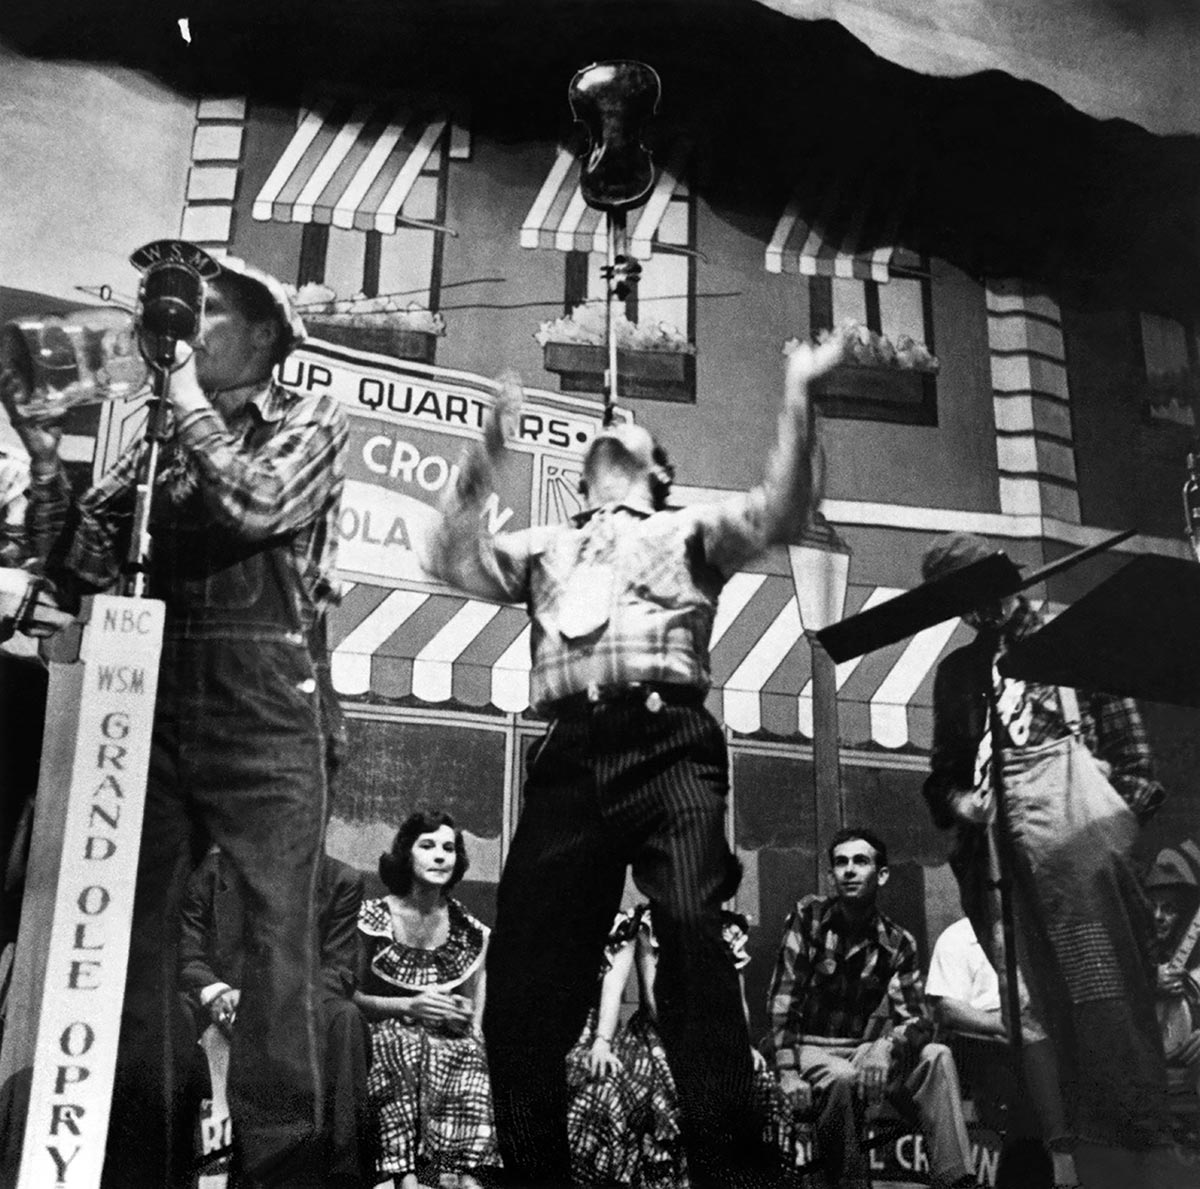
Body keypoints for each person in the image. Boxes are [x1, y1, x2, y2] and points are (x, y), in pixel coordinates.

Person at [425, 331, 849, 1188]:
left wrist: (801, 392)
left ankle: (732, 1174)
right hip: (572, 754)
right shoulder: (549, 545)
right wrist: (486, 451)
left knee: (693, 937)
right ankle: (538, 1172)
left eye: (636, 431)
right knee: (523, 983)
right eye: (602, 432)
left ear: (660, 472)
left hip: (670, 748)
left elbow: (785, 505)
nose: (613, 423)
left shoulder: (689, 527)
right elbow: (449, 558)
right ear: (582, 474)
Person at [6, 253, 349, 1188]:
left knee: (278, 947)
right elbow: (76, 560)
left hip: (269, 703)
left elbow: (258, 503)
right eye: (182, 311)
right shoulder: (159, 430)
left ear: (271, 334)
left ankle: (282, 1174)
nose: (190, 327)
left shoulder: (310, 417)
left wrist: (184, 399)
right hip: (154, 692)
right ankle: (137, 1162)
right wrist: (43, 445)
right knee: (136, 939)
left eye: (212, 311)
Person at [920, 532, 1172, 1163]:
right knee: (1031, 1011)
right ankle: (1058, 1157)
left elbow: (1140, 771)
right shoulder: (959, 675)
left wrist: (1098, 824)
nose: (974, 610)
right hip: (1001, 869)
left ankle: (1133, 1150)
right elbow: (941, 778)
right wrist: (964, 805)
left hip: (1086, 867)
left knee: (1106, 1003)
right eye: (958, 602)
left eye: (979, 591)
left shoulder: (1076, 644)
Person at [765, 828, 975, 1189]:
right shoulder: (809, 918)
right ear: (832, 875)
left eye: (860, 861)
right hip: (805, 1048)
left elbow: (917, 1018)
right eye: (841, 863)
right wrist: (787, 1073)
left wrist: (885, 1046)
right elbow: (783, 1002)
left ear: (881, 875)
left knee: (937, 1055)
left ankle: (956, 1180)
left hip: (858, 1050)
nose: (848, 870)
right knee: (842, 1078)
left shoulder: (897, 941)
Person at [179, 847, 371, 1188]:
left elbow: (339, 971)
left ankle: (343, 1174)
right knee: (174, 1016)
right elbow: (187, 956)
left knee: (346, 1017)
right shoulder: (210, 876)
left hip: (302, 1004)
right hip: (223, 999)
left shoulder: (341, 880)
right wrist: (217, 992)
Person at [568, 900, 791, 1189]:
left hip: (713, 1035)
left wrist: (741, 1044)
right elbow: (652, 998)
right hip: (660, 1035)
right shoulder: (650, 923)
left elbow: (736, 998)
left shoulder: (726, 928)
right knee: (644, 1088)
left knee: (758, 1086)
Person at [354, 810, 499, 1189]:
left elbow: (473, 998)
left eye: (448, 848)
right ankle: (398, 1172)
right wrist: (408, 1005)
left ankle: (459, 1172)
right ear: (407, 854)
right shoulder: (374, 917)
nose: (439, 856)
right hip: (381, 1026)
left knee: (466, 1050)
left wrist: (466, 1015)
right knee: (401, 1045)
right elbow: (344, 995)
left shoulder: (465, 926)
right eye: (428, 845)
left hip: (442, 1034)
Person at [926, 915, 1069, 1186]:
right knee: (1024, 1088)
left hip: (1034, 1042)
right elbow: (946, 1009)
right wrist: (1003, 1026)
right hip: (977, 1043)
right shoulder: (957, 937)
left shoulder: (1040, 935)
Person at [1144, 852, 1200, 1100]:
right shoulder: (1126, 957)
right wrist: (1148, 981)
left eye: (1168, 909)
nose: (1158, 917)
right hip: (1140, 1084)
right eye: (1152, 907)